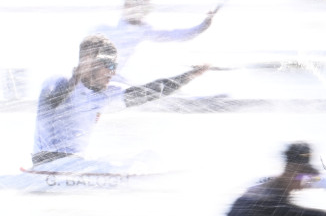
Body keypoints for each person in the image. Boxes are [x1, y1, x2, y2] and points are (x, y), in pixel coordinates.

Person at [31, 34, 209, 168]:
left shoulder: (107, 94)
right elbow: (52, 102)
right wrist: (76, 78)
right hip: (46, 164)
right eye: (108, 66)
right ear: (89, 62)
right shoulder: (57, 81)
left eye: (114, 66)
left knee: (147, 157)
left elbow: (150, 91)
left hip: (75, 165)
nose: (113, 72)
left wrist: (190, 75)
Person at [96, 0, 219, 70]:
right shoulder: (105, 28)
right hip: (98, 81)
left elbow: (174, 35)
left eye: (146, 5)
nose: (144, 9)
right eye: (141, 4)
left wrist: (203, 26)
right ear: (128, 4)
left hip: (112, 79)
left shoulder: (143, 29)